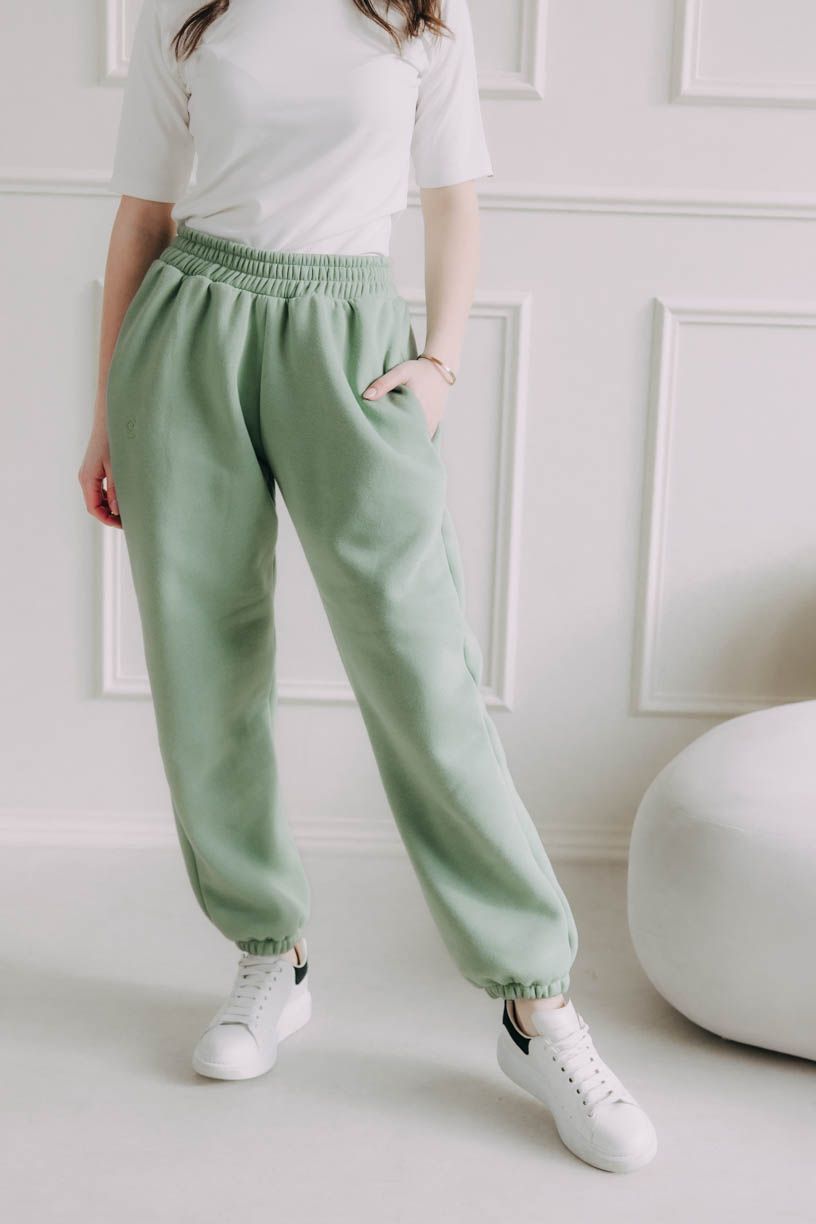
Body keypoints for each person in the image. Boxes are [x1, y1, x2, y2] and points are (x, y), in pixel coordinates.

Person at [79, 0, 656, 1174]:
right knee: (202, 665)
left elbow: (454, 203)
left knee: (422, 672)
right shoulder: (186, 13)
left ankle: (536, 1007)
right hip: (187, 331)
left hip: (350, 339)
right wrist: (107, 419)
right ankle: (268, 955)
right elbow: (141, 217)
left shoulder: (421, 18)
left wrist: (440, 362)